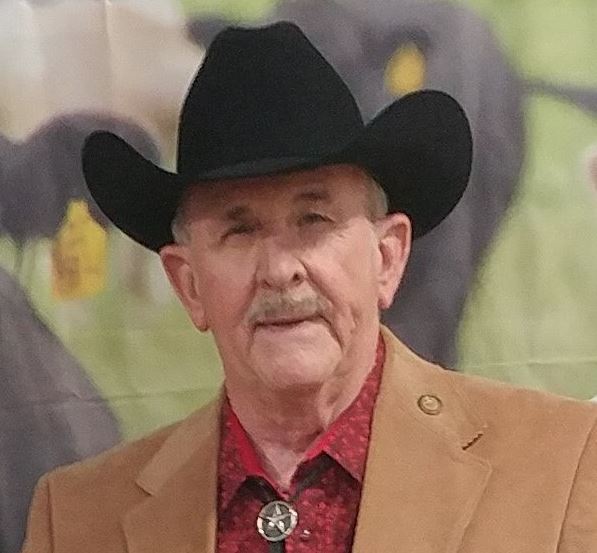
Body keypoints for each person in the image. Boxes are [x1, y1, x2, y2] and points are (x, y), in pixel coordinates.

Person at [21, 22, 597, 553]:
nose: (280, 270)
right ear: (188, 284)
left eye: (313, 221)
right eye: (240, 231)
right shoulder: (76, 519)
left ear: (387, 257)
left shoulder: (561, 462)